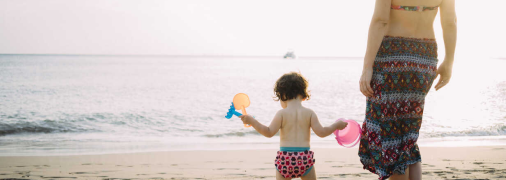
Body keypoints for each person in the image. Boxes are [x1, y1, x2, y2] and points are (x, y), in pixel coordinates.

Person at [358, 0, 457, 179]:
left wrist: (367, 66)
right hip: (424, 57)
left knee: (391, 133)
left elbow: (380, 20)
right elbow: (450, 22)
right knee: (408, 136)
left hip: (391, 55)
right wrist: (448, 61)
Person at [240, 72, 348, 180]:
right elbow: (322, 132)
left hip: (285, 160)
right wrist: (336, 125)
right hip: (304, 159)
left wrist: (252, 121)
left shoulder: (281, 114)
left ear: (283, 95)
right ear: (303, 95)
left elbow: (268, 132)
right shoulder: (310, 113)